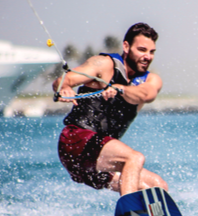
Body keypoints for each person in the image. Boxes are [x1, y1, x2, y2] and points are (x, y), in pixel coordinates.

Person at [53, 23, 167, 196]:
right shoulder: (104, 65)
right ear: (126, 47)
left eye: (151, 52)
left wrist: (122, 89)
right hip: (75, 143)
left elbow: (147, 94)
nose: (147, 57)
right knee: (134, 158)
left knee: (157, 186)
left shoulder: (150, 80)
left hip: (98, 161)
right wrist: (63, 88)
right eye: (142, 50)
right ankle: (130, 211)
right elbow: (64, 80)